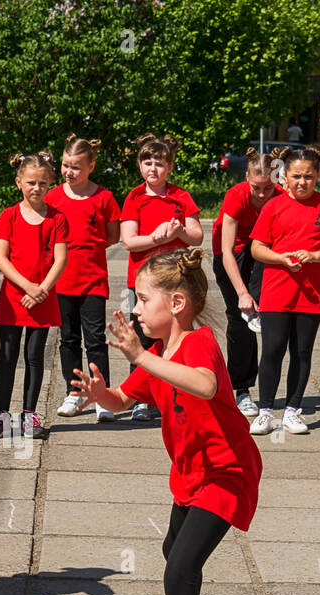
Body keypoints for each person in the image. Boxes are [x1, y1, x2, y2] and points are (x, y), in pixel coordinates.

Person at [71, 248, 261, 595]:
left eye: (141, 299)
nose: (134, 309)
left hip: (227, 472)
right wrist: (101, 395)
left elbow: (201, 385)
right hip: (190, 474)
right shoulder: (156, 355)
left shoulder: (197, 344)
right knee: (171, 549)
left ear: (177, 303)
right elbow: (121, 398)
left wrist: (139, 356)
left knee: (180, 569)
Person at [248, 145, 320, 436]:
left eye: (308, 176)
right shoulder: (273, 206)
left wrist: (315, 255)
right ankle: (265, 411)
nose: (302, 182)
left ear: (318, 175)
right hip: (277, 291)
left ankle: (293, 410)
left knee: (302, 352)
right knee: (272, 351)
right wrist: (280, 259)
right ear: (284, 176)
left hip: (312, 294)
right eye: (296, 176)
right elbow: (257, 248)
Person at [119, 133, 203, 421]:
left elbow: (197, 236)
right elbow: (128, 241)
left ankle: (177, 390)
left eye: (159, 164)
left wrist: (180, 232)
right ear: (140, 166)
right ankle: (141, 398)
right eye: (147, 163)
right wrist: (155, 238)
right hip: (144, 281)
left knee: (176, 336)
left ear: (169, 167)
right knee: (143, 338)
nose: (152, 169)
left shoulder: (181, 196)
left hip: (176, 280)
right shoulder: (134, 197)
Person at [0, 151, 70, 440]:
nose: (37, 188)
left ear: (50, 184)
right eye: (31, 182)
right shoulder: (9, 216)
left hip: (43, 298)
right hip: (14, 298)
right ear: (19, 183)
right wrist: (28, 287)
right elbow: (1, 258)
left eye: (43, 183)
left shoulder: (58, 218)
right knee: (8, 355)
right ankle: (1, 414)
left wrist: (42, 290)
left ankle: (29, 415)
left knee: (35, 356)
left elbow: (60, 259)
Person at [48, 134, 121, 424]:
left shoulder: (103, 197)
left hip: (93, 281)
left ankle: (101, 395)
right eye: (65, 165)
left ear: (91, 166)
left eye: (76, 167)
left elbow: (113, 236)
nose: (69, 172)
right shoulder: (53, 197)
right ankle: (74, 392)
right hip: (62, 281)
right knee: (67, 339)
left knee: (95, 340)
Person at [212, 149, 283, 417]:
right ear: (246, 178)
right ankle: (241, 389)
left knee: (262, 315)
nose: (262, 194)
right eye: (256, 187)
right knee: (240, 317)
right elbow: (227, 251)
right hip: (232, 254)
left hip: (263, 251)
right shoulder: (237, 196)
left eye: (268, 187)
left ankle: (267, 387)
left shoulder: (279, 195)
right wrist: (242, 293)